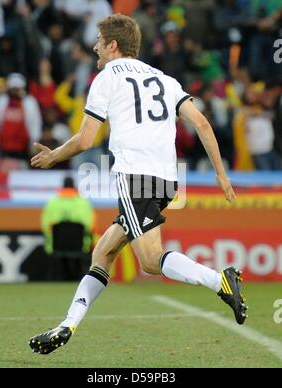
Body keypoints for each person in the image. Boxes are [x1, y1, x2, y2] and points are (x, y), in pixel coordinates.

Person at [29, 14, 248, 355]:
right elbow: (203, 123)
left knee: (149, 259)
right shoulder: (163, 78)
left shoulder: (106, 78)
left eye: (99, 41)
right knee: (103, 251)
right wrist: (221, 174)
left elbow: (86, 140)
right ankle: (66, 326)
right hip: (167, 180)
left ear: (112, 45)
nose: (94, 47)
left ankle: (220, 280)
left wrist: (53, 156)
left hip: (135, 177)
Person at [41, 176, 95, 280]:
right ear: (74, 187)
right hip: (80, 246)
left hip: (56, 247)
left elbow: (45, 227)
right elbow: (90, 226)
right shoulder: (84, 204)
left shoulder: (52, 203)